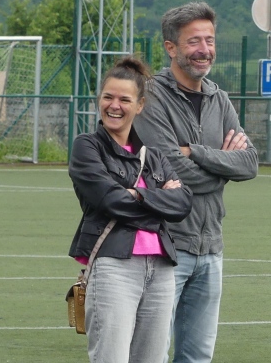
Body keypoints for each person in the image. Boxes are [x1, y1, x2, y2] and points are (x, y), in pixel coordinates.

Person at [133, 1, 259, 362]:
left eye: (210, 40)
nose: (204, 50)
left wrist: (197, 152)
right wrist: (223, 167)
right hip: (165, 248)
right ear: (171, 48)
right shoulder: (150, 97)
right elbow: (170, 169)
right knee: (150, 354)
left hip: (211, 247)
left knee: (198, 357)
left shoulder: (219, 98)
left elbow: (250, 163)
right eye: (194, 41)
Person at [68, 56, 193, 363]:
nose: (115, 106)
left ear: (140, 105)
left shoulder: (153, 155)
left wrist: (136, 195)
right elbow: (109, 200)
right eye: (108, 97)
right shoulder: (87, 146)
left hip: (162, 268)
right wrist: (157, 198)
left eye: (125, 100)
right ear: (99, 99)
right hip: (114, 267)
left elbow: (182, 203)